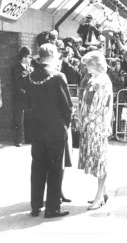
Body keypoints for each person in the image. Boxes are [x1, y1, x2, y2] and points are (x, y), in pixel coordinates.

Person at [25, 43, 72, 218]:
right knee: (54, 169)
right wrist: (64, 125)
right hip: (55, 130)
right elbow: (67, 106)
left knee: (37, 168)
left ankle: (35, 206)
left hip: (37, 130)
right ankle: (52, 208)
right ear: (52, 55)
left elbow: (27, 104)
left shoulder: (30, 76)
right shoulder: (58, 76)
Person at [77, 51, 114, 210]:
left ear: (94, 63)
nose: (85, 67)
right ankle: (102, 194)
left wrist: (85, 120)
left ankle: (99, 197)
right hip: (91, 125)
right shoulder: (94, 79)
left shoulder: (103, 80)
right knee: (97, 160)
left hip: (97, 126)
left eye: (87, 64)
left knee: (99, 161)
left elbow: (98, 106)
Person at [11, 46, 32, 147]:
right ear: (24, 58)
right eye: (29, 57)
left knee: (28, 118)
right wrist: (24, 93)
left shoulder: (30, 68)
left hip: (28, 98)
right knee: (18, 120)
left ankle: (28, 138)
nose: (30, 59)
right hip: (19, 97)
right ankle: (17, 140)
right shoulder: (16, 68)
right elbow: (16, 84)